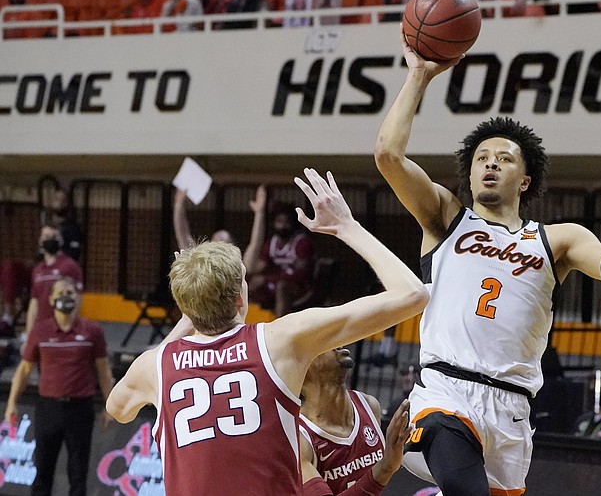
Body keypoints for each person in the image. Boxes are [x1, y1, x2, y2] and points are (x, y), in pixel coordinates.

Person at [373, 36, 601, 495]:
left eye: (502, 159)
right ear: (468, 173)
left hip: (511, 410)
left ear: (524, 179)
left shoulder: (557, 239)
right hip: (442, 393)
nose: (489, 165)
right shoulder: (445, 218)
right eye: (481, 159)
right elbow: (388, 155)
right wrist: (418, 76)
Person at [106, 169, 428, 495]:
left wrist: (188, 315)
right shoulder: (278, 341)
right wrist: (348, 227)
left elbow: (117, 409)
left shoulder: (155, 365)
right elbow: (412, 295)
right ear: (239, 300)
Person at [4, 277, 115, 496]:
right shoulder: (40, 331)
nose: (66, 297)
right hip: (48, 409)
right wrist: (11, 404)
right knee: (43, 472)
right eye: (61, 293)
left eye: (71, 293)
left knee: (78, 473)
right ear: (51, 299)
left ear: (78, 297)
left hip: (80, 410)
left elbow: (104, 371)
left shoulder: (92, 331)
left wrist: (109, 406)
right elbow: (24, 371)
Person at [298, 348, 411, 495]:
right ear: (303, 367)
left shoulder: (369, 405)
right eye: (324, 342)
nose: (339, 344)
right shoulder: (299, 438)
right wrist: (386, 467)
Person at [243, 191, 316, 318]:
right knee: (248, 282)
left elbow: (300, 274)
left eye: (286, 222)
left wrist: (267, 279)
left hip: (300, 288)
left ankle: (280, 324)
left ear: (293, 223)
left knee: (283, 287)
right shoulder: (272, 242)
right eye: (279, 221)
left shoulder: (302, 243)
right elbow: (258, 267)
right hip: (274, 284)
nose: (282, 226)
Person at [26, 225, 84, 337]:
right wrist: (29, 334)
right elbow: (34, 304)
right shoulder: (37, 270)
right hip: (41, 329)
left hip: (62, 328)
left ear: (61, 240)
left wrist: (69, 327)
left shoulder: (70, 266)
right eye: (46, 236)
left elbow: (78, 298)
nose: (50, 239)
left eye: (54, 236)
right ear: (40, 240)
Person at [42, 189, 82, 262]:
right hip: (47, 265)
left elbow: (74, 251)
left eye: (63, 200)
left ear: (68, 203)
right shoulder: (47, 224)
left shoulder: (73, 227)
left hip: (64, 266)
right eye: (56, 199)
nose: (59, 203)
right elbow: (42, 248)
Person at [382, 361, 422, 430]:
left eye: (413, 374)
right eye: (404, 374)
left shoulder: (422, 402)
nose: (408, 378)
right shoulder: (396, 403)